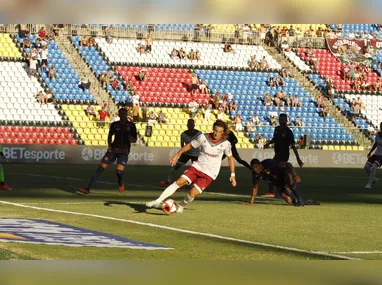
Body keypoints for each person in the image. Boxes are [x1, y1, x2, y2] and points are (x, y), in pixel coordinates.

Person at [146, 120, 237, 213]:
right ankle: (157, 201)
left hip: (210, 173)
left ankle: (181, 205)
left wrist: (232, 175)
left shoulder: (225, 144)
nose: (216, 133)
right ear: (213, 129)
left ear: (223, 133)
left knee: (191, 194)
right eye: (215, 130)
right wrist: (176, 155)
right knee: (179, 182)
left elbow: (230, 158)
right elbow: (189, 145)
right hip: (197, 167)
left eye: (219, 132)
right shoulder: (203, 137)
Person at [78, 108, 137, 195]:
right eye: (121, 113)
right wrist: (109, 146)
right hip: (113, 150)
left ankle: (120, 182)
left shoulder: (131, 125)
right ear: (119, 114)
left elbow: (134, 139)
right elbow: (110, 136)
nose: (122, 115)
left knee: (119, 171)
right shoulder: (114, 125)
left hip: (123, 151)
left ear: (126, 114)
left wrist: (131, 139)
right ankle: (87, 188)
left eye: (124, 113)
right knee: (100, 169)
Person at [262, 113, 304, 198]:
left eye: (283, 120)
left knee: (272, 169)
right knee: (278, 172)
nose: (281, 121)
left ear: (286, 120)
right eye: (280, 120)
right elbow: (275, 139)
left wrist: (298, 159)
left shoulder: (289, 132)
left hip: (284, 155)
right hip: (277, 154)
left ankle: (273, 191)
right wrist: (268, 144)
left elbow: (293, 147)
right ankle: (287, 186)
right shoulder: (277, 129)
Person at [249, 159, 318, 206]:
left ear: (260, 164)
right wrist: (251, 203)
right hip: (278, 183)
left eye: (256, 167)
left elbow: (288, 165)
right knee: (290, 201)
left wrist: (295, 176)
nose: (255, 169)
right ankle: (308, 202)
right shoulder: (255, 174)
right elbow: (255, 188)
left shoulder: (268, 163)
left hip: (284, 175)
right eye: (253, 168)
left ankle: (300, 199)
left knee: (289, 179)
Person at [160, 119, 202, 185]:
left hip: (196, 154)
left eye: (192, 124)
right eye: (189, 124)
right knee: (176, 166)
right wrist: (183, 151)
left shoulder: (199, 134)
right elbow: (182, 144)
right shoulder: (183, 134)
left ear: (194, 125)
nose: (191, 125)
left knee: (198, 169)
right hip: (186, 153)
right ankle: (168, 179)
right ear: (187, 125)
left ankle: (197, 183)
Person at [364, 122, 382, 189]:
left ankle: (369, 184)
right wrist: (370, 152)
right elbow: (375, 144)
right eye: (381, 126)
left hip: (381, 156)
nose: (381, 127)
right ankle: (374, 178)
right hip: (376, 154)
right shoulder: (378, 134)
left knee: (373, 167)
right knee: (366, 167)